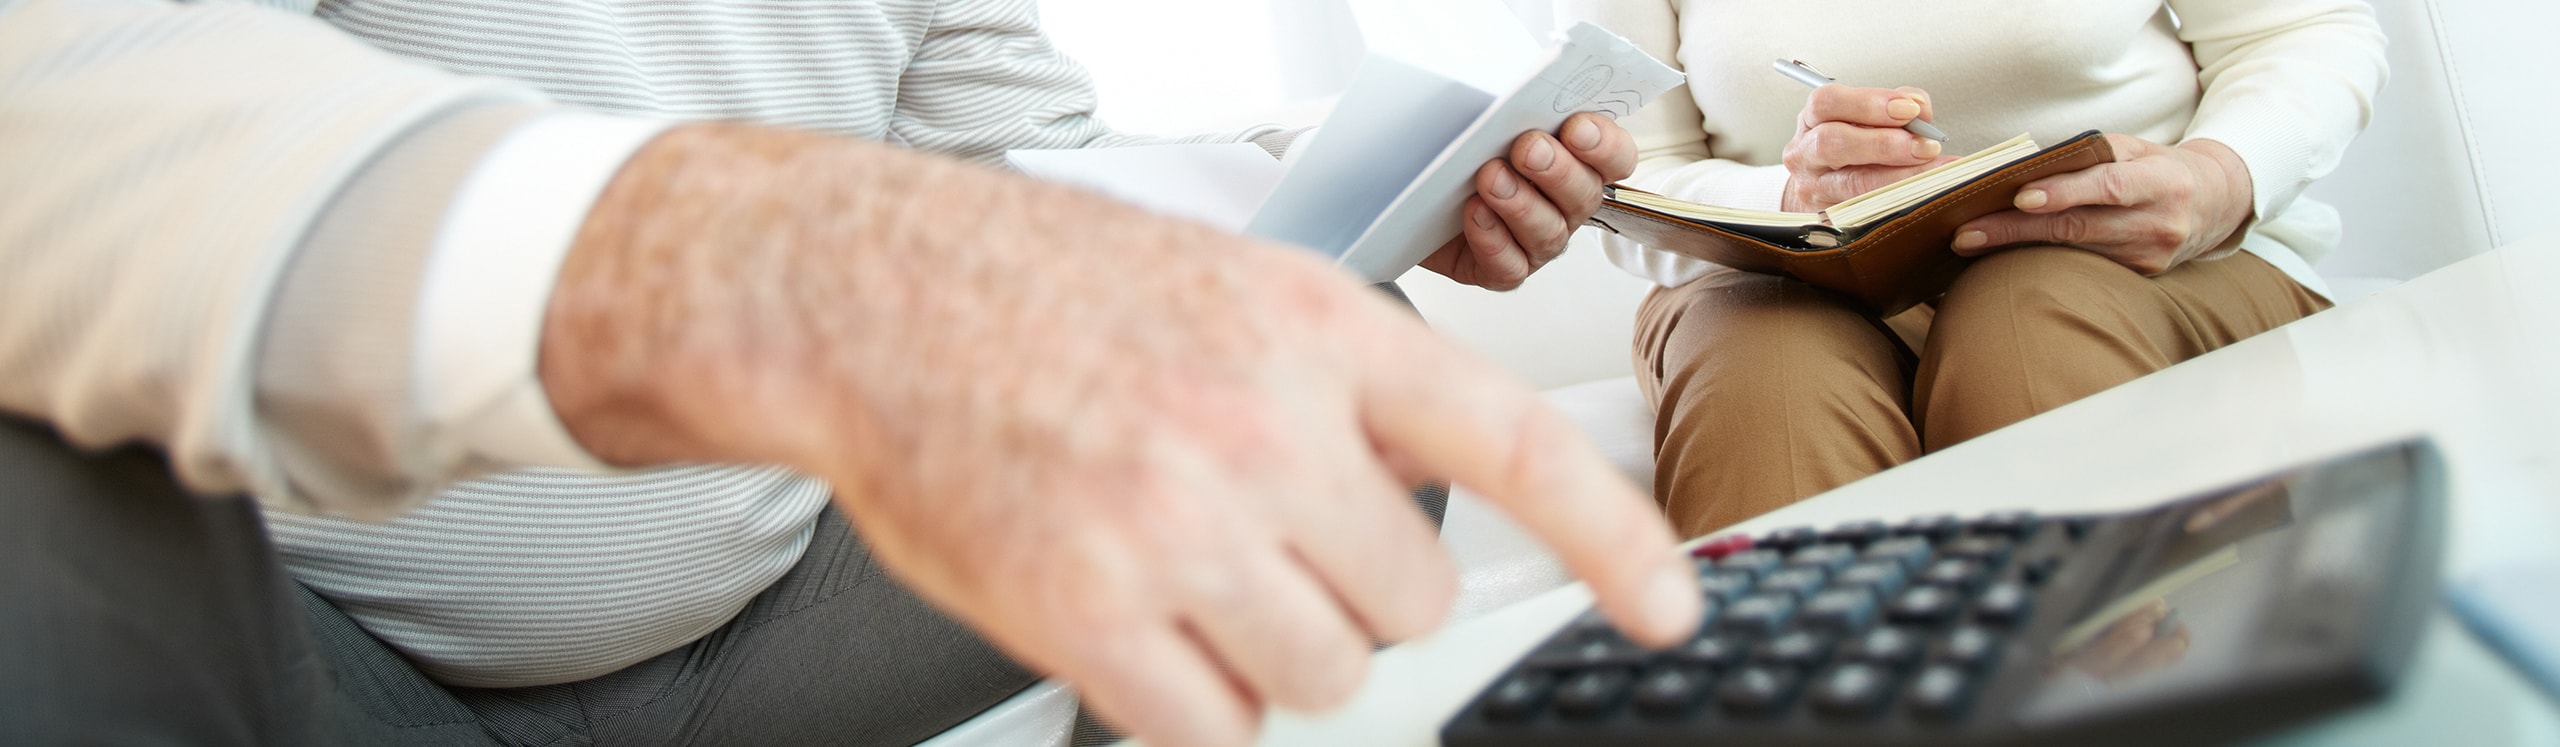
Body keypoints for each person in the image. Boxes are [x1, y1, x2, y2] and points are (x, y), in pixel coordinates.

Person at [0, 1, 1707, 745]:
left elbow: (1036, 176)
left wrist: (1387, 190)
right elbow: (62, 110)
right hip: (333, 663)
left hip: (756, 643)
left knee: (1324, 388)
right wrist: (712, 247)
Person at [1564, 0, 2387, 537]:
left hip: (2157, 267)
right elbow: (1635, 171)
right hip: (1787, 278)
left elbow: (2306, 27)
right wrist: (1795, 193)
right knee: (1765, 375)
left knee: (2029, 316)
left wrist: (2218, 176)